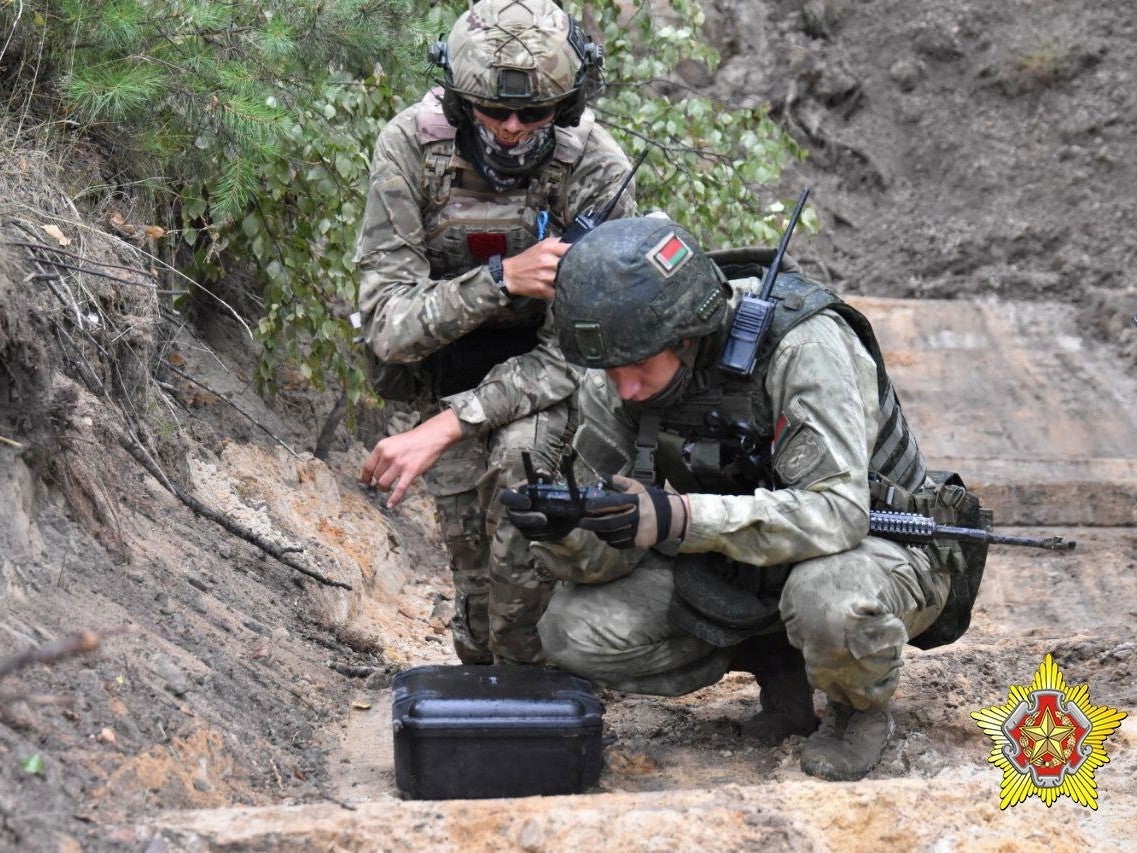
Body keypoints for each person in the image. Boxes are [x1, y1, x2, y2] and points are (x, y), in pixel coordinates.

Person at [502, 214, 959, 781]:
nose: (625, 388)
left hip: (882, 540)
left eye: (639, 368)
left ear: (686, 336)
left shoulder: (804, 345)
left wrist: (679, 516)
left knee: (829, 604)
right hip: (748, 557)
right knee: (573, 630)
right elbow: (607, 557)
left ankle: (856, 710)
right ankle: (777, 657)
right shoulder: (624, 361)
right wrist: (567, 528)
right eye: (609, 369)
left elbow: (840, 512)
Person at [354, 0, 636, 666]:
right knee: (477, 608)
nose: (511, 129)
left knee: (521, 470)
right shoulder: (410, 149)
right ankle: (493, 675)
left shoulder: (593, 167)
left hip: (554, 383)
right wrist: (501, 280)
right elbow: (389, 327)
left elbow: (587, 347)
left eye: (533, 113)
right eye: (492, 110)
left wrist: (448, 426)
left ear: (563, 108)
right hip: (449, 368)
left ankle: (538, 683)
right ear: (458, 100)